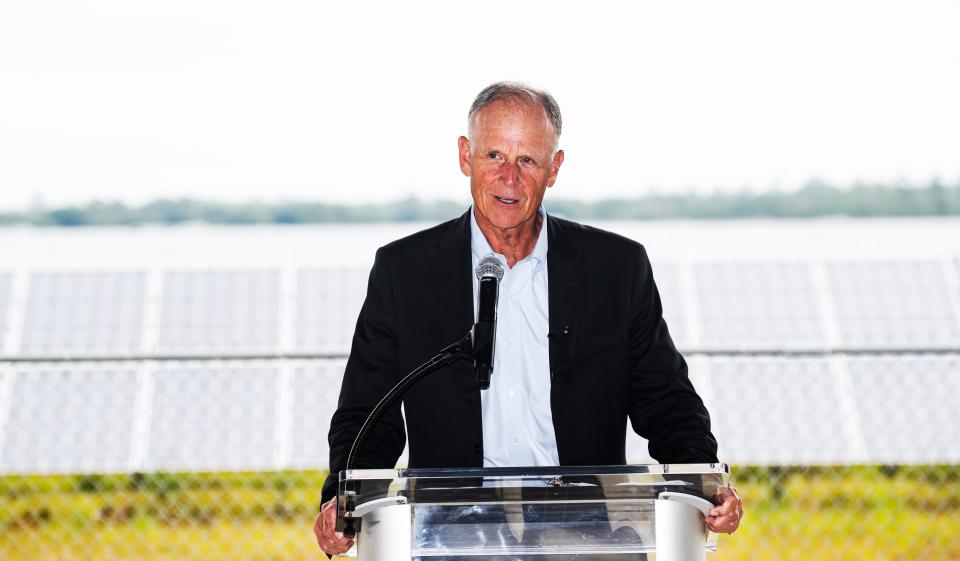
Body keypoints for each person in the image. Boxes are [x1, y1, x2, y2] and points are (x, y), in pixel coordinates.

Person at [315, 82, 744, 556]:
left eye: (528, 160)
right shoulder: (404, 272)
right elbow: (366, 413)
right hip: (450, 535)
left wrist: (702, 478)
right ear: (465, 156)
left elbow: (667, 400)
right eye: (494, 155)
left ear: (554, 168)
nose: (509, 178)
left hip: (583, 537)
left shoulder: (616, 269)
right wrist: (342, 500)